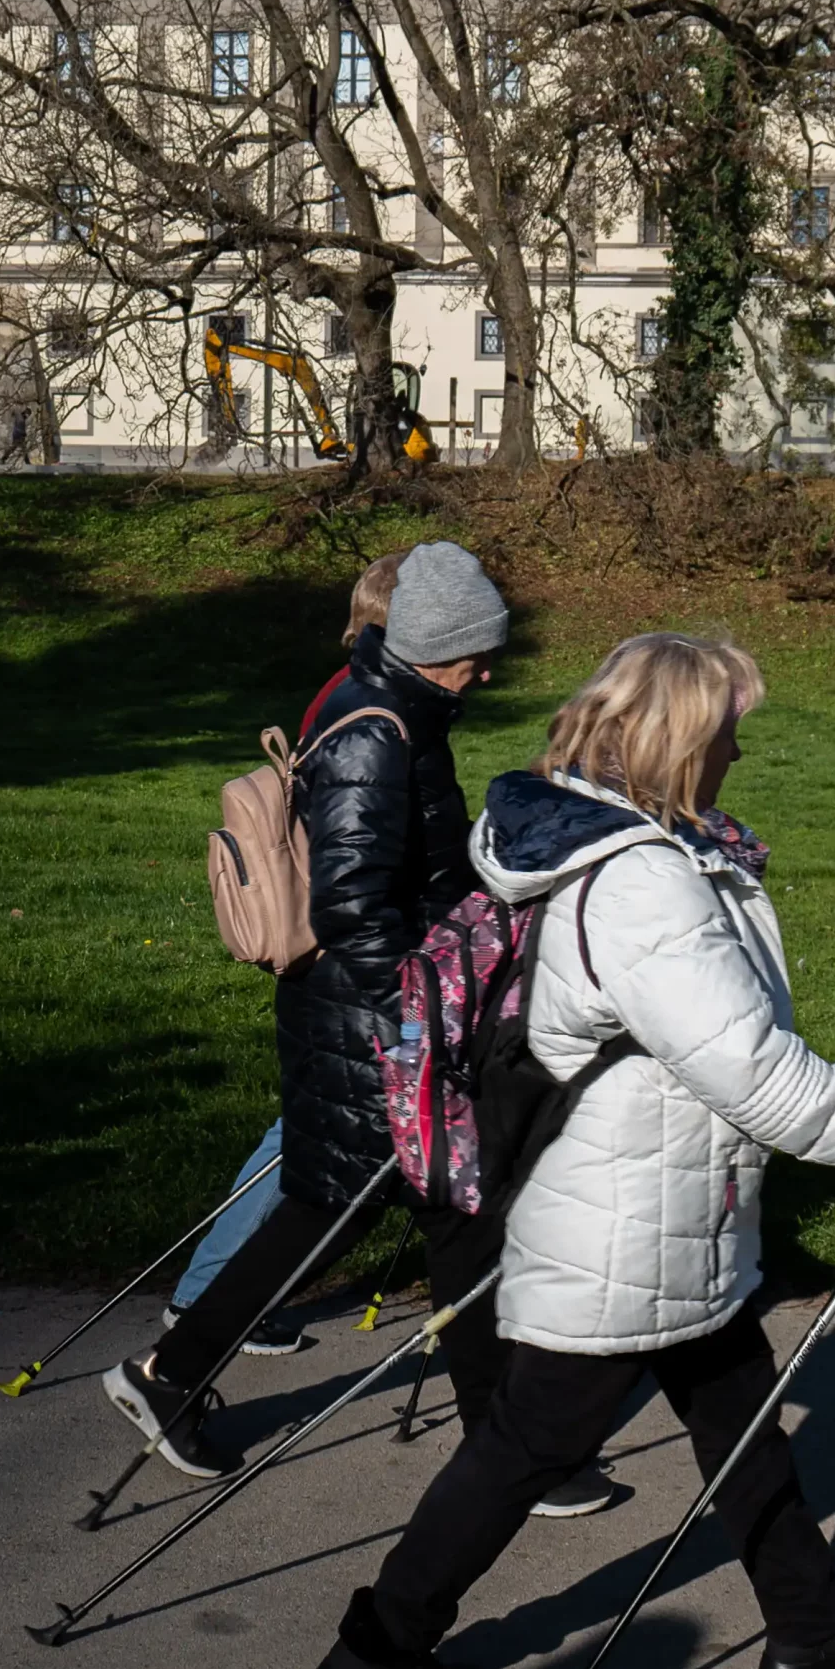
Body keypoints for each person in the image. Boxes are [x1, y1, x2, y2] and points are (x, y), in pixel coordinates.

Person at [308, 631, 835, 1669]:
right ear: (677, 741)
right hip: (624, 1212)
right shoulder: (641, 882)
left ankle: (810, 1629)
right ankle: (378, 1649)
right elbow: (754, 1073)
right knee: (530, 1440)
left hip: (664, 1197)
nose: (739, 752)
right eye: (726, 732)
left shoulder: (615, 841)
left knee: (741, 1412)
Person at [102, 541, 569, 1492]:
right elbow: (354, 904)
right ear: (434, 645)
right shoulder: (376, 730)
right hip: (374, 1016)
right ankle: (175, 1375)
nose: (488, 671)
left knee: (405, 1209)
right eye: (478, 654)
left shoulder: (398, 708)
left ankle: (178, 1376)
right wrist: (423, 1011)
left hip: (374, 1010)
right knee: (355, 1205)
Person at [160, 553, 410, 1356]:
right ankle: (206, 1303)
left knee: (304, 1135)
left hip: (336, 948)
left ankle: (214, 1300)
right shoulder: (364, 713)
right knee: (301, 1139)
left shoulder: (348, 695)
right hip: (340, 955)